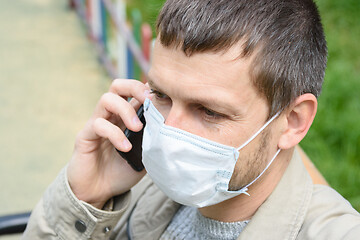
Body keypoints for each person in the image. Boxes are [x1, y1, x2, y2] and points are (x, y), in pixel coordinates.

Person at [23, 0, 360, 239]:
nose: (169, 132)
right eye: (161, 95)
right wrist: (84, 200)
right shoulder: (136, 186)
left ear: (293, 121)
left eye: (209, 111)